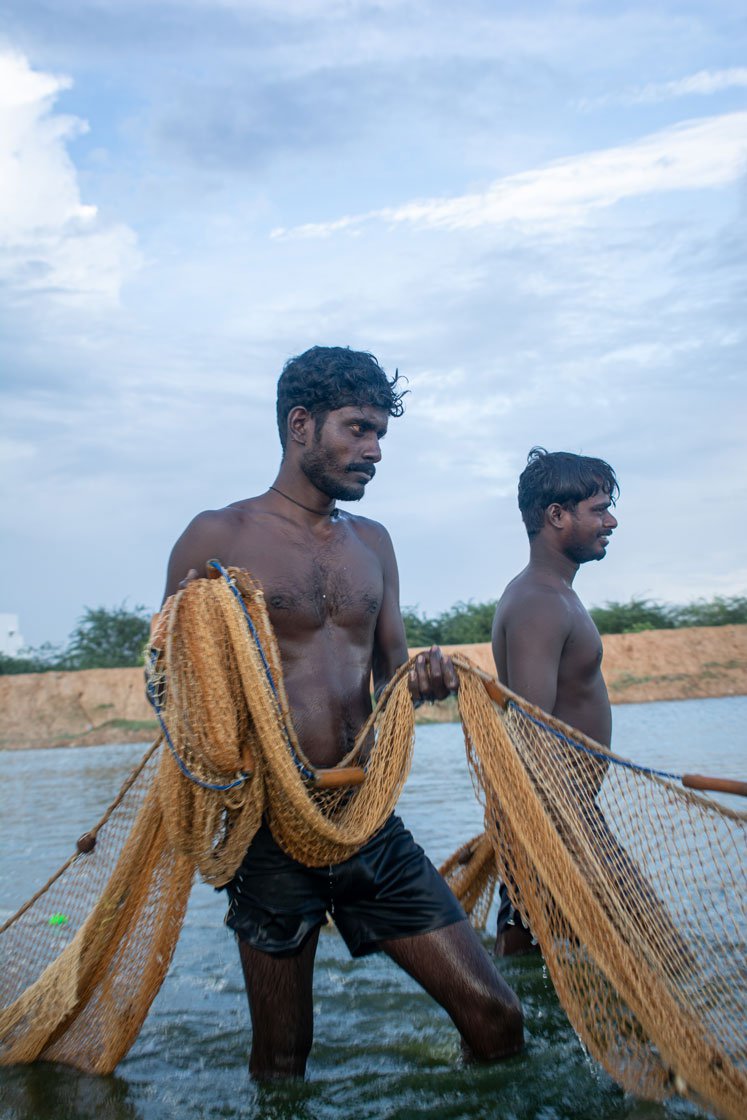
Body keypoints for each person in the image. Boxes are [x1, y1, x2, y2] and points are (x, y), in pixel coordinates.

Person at [163, 345, 523, 1078]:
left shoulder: (374, 543)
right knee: (284, 1057)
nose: (374, 451)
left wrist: (421, 680)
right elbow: (172, 689)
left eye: (380, 434)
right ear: (301, 425)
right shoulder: (217, 537)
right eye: (357, 430)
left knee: (496, 1018)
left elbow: (391, 669)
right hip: (267, 833)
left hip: (366, 819)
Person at [491, 446, 619, 956]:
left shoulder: (554, 593)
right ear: (557, 516)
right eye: (599, 509)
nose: (612, 520)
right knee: (639, 949)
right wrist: (576, 843)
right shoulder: (540, 601)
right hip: (555, 815)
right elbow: (532, 735)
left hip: (563, 811)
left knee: (523, 946)